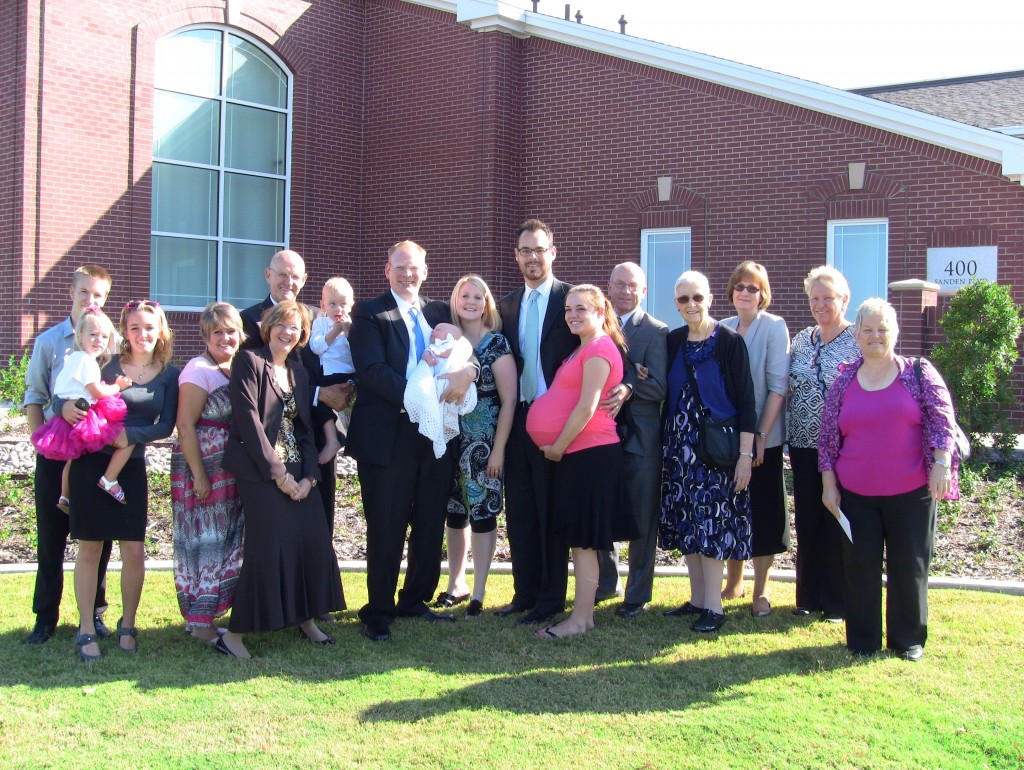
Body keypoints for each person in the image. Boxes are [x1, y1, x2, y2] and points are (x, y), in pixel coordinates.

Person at [346, 240, 478, 642]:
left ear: (425, 271)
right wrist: (417, 396)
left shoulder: (439, 312)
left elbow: (469, 348)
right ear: (387, 270)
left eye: (414, 268)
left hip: (435, 433)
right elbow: (370, 371)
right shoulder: (369, 313)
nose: (407, 275)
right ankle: (378, 611)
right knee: (386, 526)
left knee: (428, 520)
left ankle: (415, 599)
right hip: (390, 434)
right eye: (400, 267)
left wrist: (469, 371)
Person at [496, 219, 624, 626]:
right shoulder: (507, 306)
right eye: (525, 251)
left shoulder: (574, 301)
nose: (533, 257)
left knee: (551, 512)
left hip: (563, 430)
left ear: (553, 252)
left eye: (540, 249)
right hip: (517, 420)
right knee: (520, 511)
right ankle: (525, 592)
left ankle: (551, 599)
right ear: (516, 256)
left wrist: (628, 387)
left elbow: (614, 348)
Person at [819, 298, 959, 661]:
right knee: (860, 567)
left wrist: (942, 463)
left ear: (895, 333)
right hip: (855, 495)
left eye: (882, 329)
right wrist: (828, 484)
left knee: (909, 566)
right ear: (857, 335)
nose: (875, 336)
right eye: (867, 329)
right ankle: (863, 640)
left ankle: (907, 639)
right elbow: (828, 437)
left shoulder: (917, 372)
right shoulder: (844, 379)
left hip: (912, 491)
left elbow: (943, 419)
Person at [220, 300, 346, 658]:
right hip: (260, 470)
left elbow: (304, 429)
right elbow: (248, 421)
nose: (287, 332)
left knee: (311, 539)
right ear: (268, 326)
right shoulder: (249, 361)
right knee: (268, 547)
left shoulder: (298, 371)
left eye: (295, 327)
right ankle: (234, 635)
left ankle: (306, 619)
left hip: (297, 468)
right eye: (282, 325)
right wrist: (279, 476)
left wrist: (308, 476)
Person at [66, 299, 180, 660]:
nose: (142, 334)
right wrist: (62, 408)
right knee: (91, 547)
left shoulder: (170, 374)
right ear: (124, 331)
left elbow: (166, 424)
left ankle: (127, 624)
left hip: (131, 467)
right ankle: (86, 626)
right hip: (90, 461)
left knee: (133, 548)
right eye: (134, 327)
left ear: (160, 330)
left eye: (149, 327)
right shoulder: (105, 363)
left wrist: (132, 437)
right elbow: (68, 392)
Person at [527, 285, 638, 639]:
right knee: (581, 540)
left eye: (581, 309)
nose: (573, 314)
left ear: (600, 312)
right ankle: (583, 617)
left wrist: (558, 445)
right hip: (579, 453)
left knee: (586, 542)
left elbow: (588, 407)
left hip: (589, 453)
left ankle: (579, 620)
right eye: (568, 309)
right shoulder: (584, 348)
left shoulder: (600, 348)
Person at [22, 264, 114, 645]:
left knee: (97, 536)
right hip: (55, 454)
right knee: (52, 537)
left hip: (95, 455)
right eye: (84, 293)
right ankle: (45, 618)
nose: (91, 301)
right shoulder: (49, 342)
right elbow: (33, 397)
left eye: (98, 296)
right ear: (72, 293)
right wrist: (42, 442)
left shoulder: (109, 343)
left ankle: (95, 612)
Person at [660, 271, 756, 634]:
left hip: (715, 453)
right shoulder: (673, 341)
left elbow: (747, 401)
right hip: (679, 450)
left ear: (711, 298)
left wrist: (746, 456)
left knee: (711, 523)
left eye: (697, 297)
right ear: (676, 304)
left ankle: (714, 608)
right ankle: (698, 599)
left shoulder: (729, 342)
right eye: (684, 300)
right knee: (688, 521)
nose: (691, 305)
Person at [240, 250, 355, 539]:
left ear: (304, 280)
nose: (288, 282)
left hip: (317, 435)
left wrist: (346, 391)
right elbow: (260, 383)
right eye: (282, 274)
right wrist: (319, 394)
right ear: (268, 275)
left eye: (295, 276)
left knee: (319, 521)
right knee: (278, 525)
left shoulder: (320, 318)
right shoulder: (249, 320)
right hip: (274, 438)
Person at [436, 275, 516, 617]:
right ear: (455, 301)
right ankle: (457, 583)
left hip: (483, 444)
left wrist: (498, 450)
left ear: (487, 304)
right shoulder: (445, 341)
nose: (470, 302)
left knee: (483, 514)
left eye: (477, 297)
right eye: (464, 296)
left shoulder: (495, 344)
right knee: (455, 514)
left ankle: (480, 591)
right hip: (450, 440)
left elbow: (510, 400)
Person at [787, 266, 860, 621]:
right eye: (814, 299)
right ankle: (808, 597)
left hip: (844, 447)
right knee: (809, 517)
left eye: (827, 298)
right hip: (801, 444)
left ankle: (837, 601)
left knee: (837, 517)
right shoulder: (802, 339)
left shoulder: (858, 338)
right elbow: (784, 383)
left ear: (844, 299)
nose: (820, 305)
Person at [171, 302, 246, 643]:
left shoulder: (237, 367)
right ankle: (200, 623)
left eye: (231, 331)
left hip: (229, 469)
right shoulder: (198, 369)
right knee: (205, 542)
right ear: (205, 335)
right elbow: (185, 425)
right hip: (201, 466)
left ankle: (208, 614)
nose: (225, 338)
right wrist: (200, 475)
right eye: (218, 332)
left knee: (225, 539)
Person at [720, 262, 791, 617]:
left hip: (767, 438)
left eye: (753, 288)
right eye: (740, 287)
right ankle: (733, 582)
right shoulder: (722, 328)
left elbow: (779, 386)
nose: (745, 293)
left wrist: (761, 436)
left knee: (763, 513)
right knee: (733, 509)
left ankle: (760, 591)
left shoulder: (774, 327)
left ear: (763, 295)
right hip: (729, 439)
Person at [605, 263, 669, 620]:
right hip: (601, 433)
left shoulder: (656, 331)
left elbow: (659, 387)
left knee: (642, 517)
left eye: (633, 286)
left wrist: (628, 383)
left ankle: (637, 593)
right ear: (608, 288)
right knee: (602, 511)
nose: (626, 291)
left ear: (643, 291)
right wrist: (632, 373)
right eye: (620, 285)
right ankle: (604, 582)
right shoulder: (599, 324)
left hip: (642, 438)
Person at [30, 307, 133, 511]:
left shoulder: (74, 358)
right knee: (125, 441)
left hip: (70, 411)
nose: (99, 340)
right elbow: (96, 392)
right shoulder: (86, 361)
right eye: (93, 335)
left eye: (104, 336)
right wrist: (118, 387)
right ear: (80, 336)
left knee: (72, 459)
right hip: (81, 412)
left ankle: (65, 497)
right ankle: (108, 479)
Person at [404, 322, 477, 458]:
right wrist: (429, 357)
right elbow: (425, 354)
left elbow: (463, 352)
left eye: (438, 330)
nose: (433, 331)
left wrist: (443, 354)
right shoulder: (432, 347)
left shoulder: (455, 345)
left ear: (451, 336)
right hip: (433, 381)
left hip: (453, 377)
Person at [308, 276, 355, 464]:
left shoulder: (353, 324)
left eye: (343, 304)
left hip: (349, 373)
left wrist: (349, 331)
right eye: (333, 304)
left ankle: (351, 439)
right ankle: (332, 439)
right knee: (319, 401)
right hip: (327, 374)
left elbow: (360, 350)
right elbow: (316, 347)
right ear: (323, 305)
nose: (338, 309)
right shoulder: (320, 324)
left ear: (351, 305)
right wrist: (336, 330)